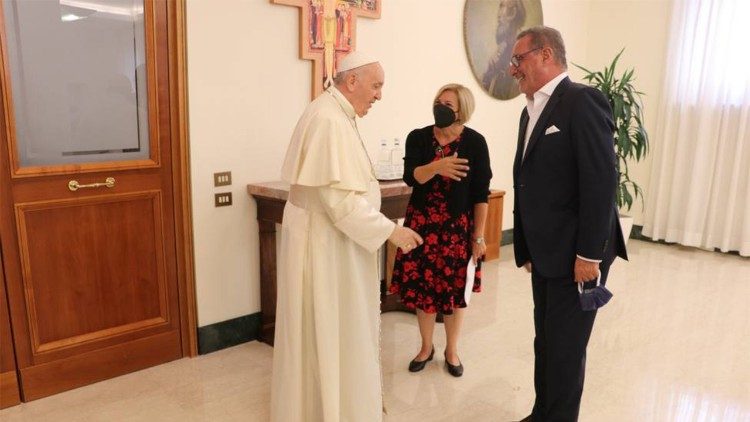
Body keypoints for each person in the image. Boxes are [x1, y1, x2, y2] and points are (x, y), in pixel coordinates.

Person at [271, 52, 423, 422]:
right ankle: (330, 411)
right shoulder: (327, 119)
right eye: (376, 85)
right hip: (323, 245)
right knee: (328, 326)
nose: (379, 95)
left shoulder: (336, 112)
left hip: (332, 240)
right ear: (351, 81)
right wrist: (392, 231)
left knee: (334, 328)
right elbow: (339, 202)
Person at [508, 26, 628, 421]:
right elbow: (528, 179)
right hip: (545, 252)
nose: (514, 69)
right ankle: (543, 412)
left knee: (565, 348)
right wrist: (525, 245)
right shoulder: (532, 110)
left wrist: (589, 255)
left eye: (518, 59)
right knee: (547, 342)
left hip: (577, 253)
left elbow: (600, 180)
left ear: (546, 55)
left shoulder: (583, 101)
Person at [390, 83, 492, 378]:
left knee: (453, 293)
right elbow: (412, 177)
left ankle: (451, 349)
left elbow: (480, 195)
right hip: (422, 226)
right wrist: (438, 166)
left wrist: (479, 237)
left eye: (448, 103)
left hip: (457, 229)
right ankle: (425, 347)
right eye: (438, 101)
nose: (440, 107)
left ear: (462, 111)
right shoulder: (419, 138)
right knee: (424, 292)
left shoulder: (475, 143)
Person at [481, 0, 526, 100]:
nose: (498, 15)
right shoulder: (504, 44)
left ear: (513, 13)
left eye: (502, 7)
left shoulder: (521, 46)